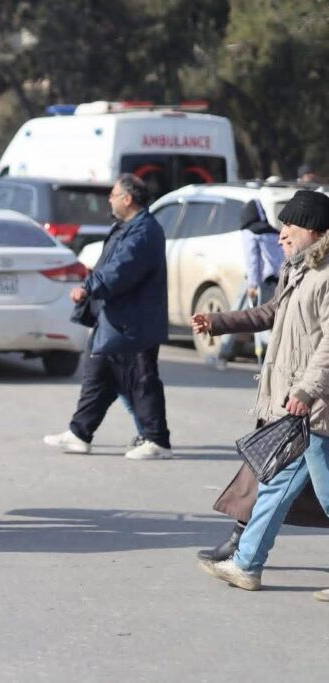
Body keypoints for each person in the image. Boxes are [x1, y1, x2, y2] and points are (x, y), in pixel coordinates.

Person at [195, 190, 329, 597]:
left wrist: (307, 389)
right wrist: (218, 322)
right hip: (299, 407)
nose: (281, 235)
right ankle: (246, 564)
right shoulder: (300, 270)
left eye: (289, 226)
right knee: (275, 485)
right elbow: (270, 313)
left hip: (316, 405)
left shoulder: (326, 276)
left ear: (313, 230)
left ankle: (246, 562)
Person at [43, 173, 172, 460]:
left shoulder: (143, 232)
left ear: (127, 198)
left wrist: (89, 287)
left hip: (134, 323)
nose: (110, 201)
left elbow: (121, 269)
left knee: (142, 380)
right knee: (98, 376)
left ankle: (157, 441)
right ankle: (79, 433)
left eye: (113, 195)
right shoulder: (127, 227)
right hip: (115, 318)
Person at [216, 199, 283, 366]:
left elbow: (253, 260)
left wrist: (252, 284)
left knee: (239, 316)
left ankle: (224, 353)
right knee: (269, 319)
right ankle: (271, 356)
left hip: (259, 281)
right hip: (276, 282)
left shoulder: (250, 232)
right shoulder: (274, 232)